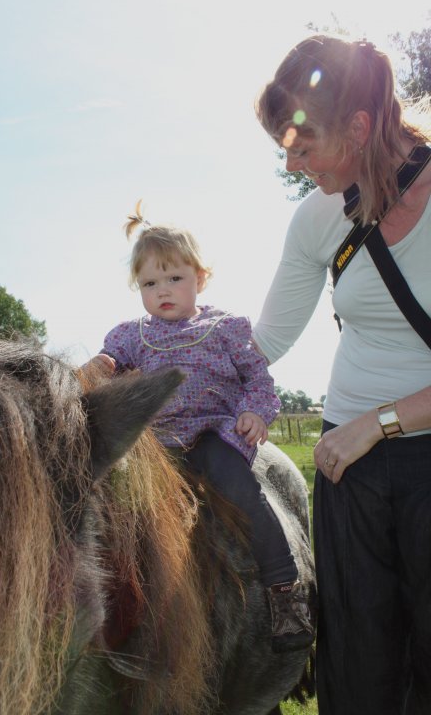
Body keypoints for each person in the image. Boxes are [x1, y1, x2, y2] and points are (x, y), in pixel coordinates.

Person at [252, 33, 431, 714]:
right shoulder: (319, 217)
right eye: (284, 149)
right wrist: (154, 357)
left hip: (399, 448)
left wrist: (378, 424)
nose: (292, 164)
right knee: (358, 662)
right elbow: (266, 341)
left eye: (303, 147)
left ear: (358, 127)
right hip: (347, 466)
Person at [93, 202, 315, 653]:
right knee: (112, 505)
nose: (163, 291)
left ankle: (284, 589)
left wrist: (255, 412)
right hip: (154, 442)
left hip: (212, 434)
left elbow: (257, 379)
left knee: (241, 491)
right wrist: (98, 366)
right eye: (150, 284)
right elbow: (109, 363)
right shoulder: (133, 335)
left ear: (201, 277)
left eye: (174, 278)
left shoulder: (225, 328)